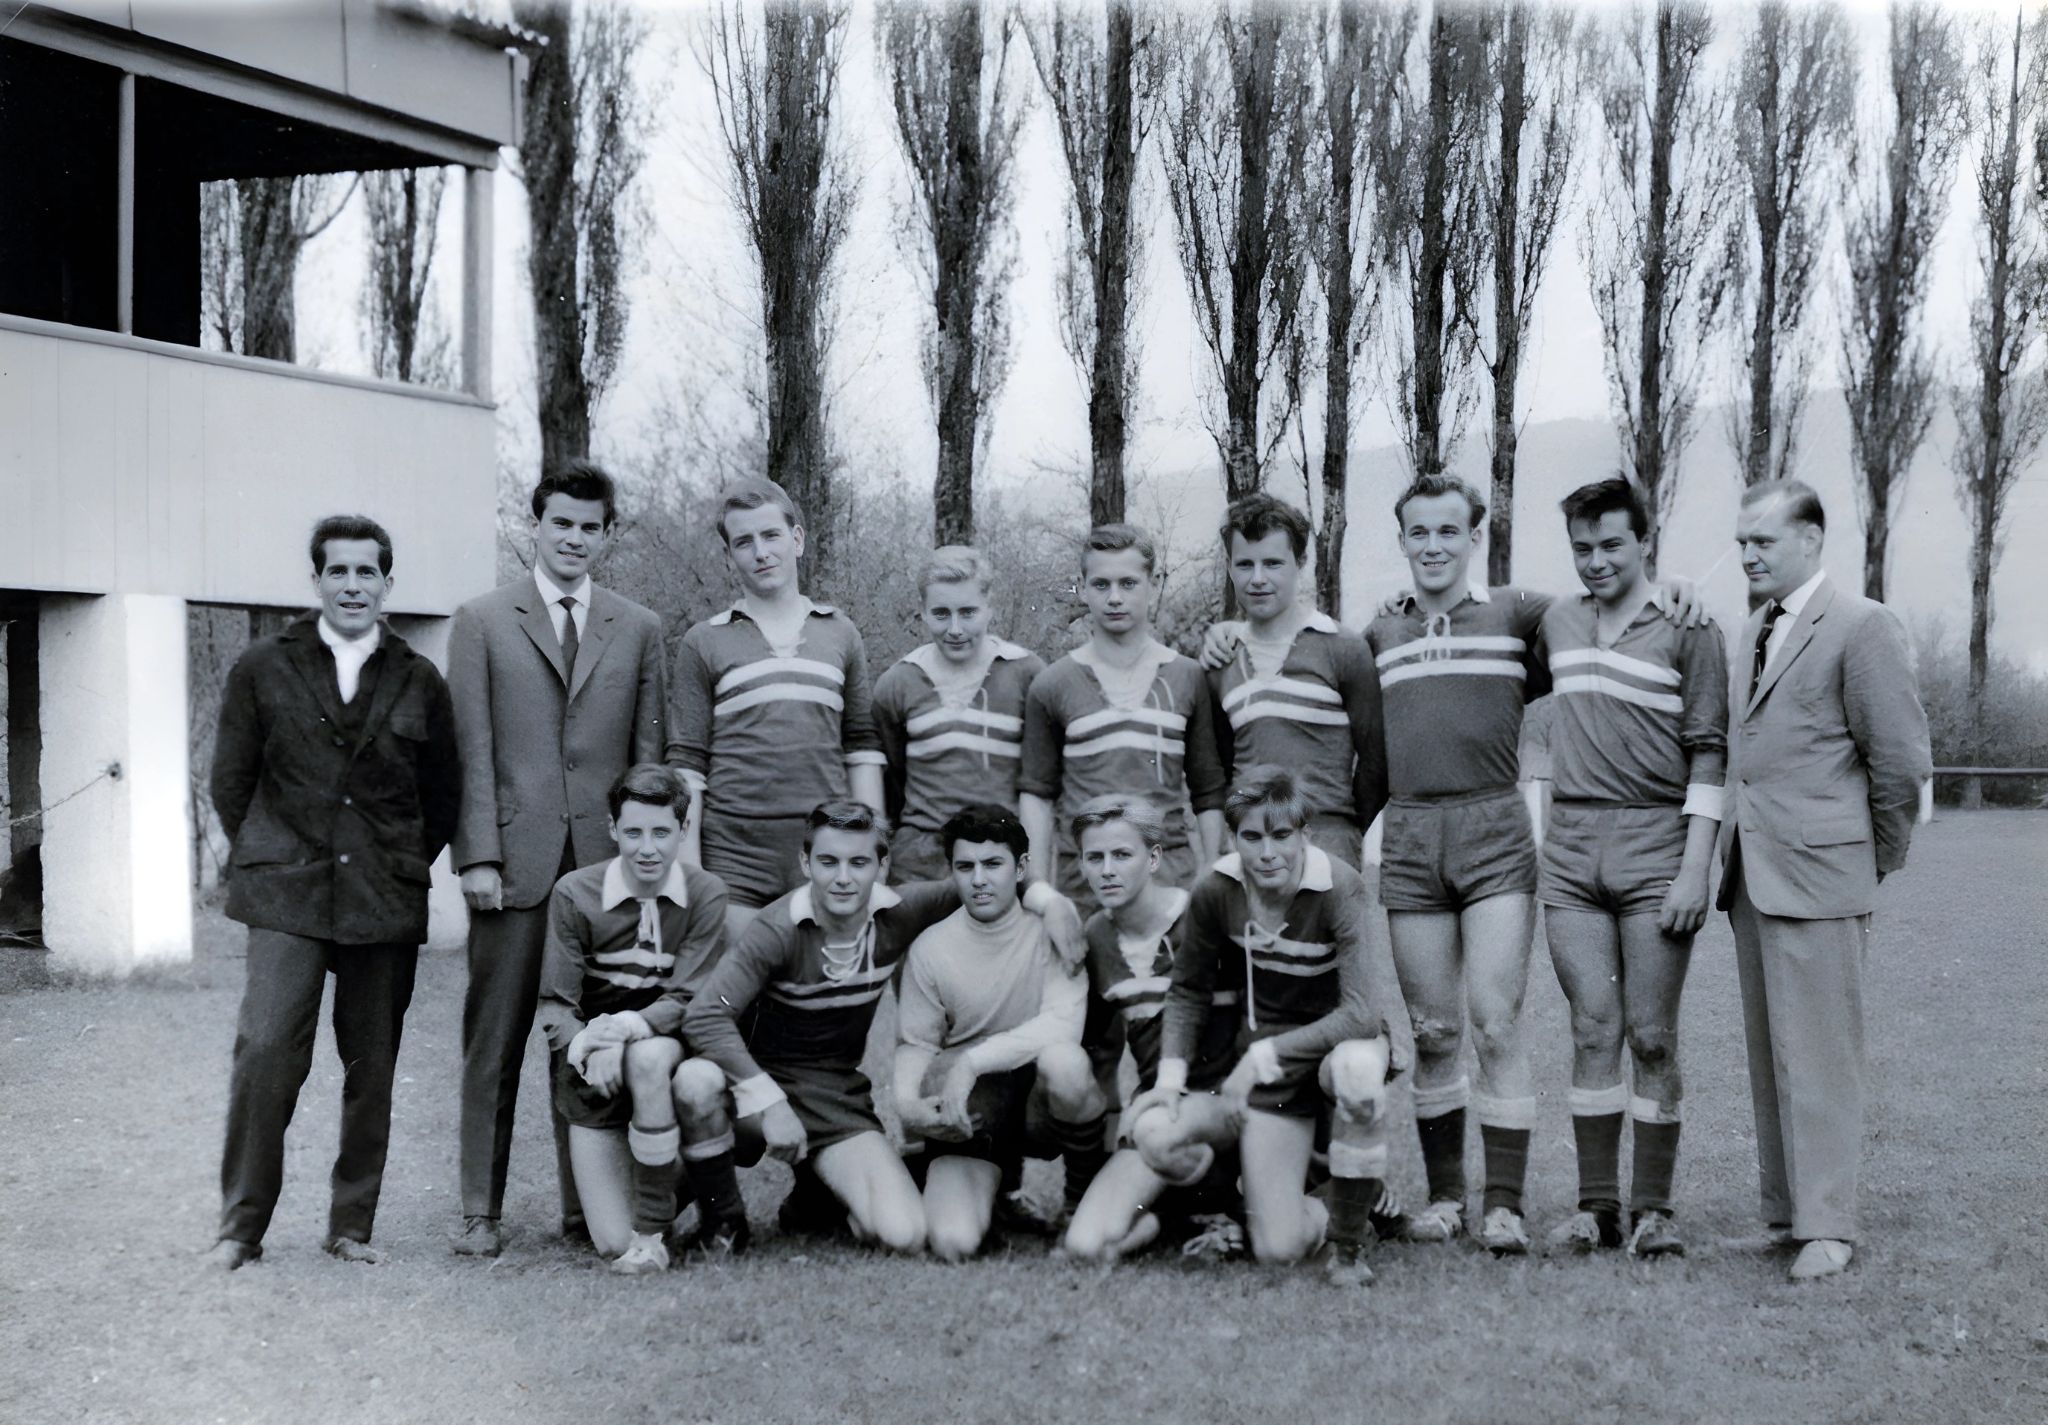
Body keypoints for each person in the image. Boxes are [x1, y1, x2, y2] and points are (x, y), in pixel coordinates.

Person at [207, 515, 460, 1269]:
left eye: (367, 572)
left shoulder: (419, 678)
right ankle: (240, 1227)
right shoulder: (263, 667)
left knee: (370, 1062)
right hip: (286, 893)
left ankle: (351, 1225)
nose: (353, 584)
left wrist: (394, 859)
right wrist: (278, 850)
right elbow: (231, 782)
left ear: (389, 583)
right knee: (264, 1051)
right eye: (339, 571)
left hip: (382, 897)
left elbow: (441, 795)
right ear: (315, 579)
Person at [676, 800, 1084, 1255]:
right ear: (805, 862)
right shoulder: (776, 928)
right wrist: (769, 1103)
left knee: (904, 1233)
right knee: (696, 1082)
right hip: (759, 1089)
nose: (844, 878)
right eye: (828, 862)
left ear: (883, 865)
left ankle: (814, 1198)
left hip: (832, 1094)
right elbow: (706, 1015)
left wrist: (1052, 902)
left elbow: (988, 882)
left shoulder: (900, 912)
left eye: (859, 862)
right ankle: (723, 1223)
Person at [447, 460, 668, 1259]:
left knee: (593, 1034)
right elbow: (469, 748)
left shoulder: (638, 627)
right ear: (535, 525)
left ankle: (587, 1208)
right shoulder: (481, 620)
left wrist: (648, 865)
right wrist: (478, 853)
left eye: (590, 526)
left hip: (608, 869)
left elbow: (650, 764)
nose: (574, 538)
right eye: (561, 523)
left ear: (608, 535)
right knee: (497, 1037)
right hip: (514, 865)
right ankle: (480, 1209)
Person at [1720, 480, 1930, 1282]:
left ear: (1811, 540)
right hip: (1753, 876)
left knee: (1823, 1056)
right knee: (1773, 1053)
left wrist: (1871, 858)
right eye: (1741, 542)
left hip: (1825, 874)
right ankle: (1787, 1215)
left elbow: (1902, 763)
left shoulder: (1862, 624)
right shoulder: (1753, 628)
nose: (1747, 555)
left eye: (1762, 542)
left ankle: (1830, 1226)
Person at [1535, 479, 1728, 1258]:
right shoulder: (1555, 619)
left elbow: (1710, 750)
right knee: (1591, 1027)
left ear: (1646, 541)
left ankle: (1654, 1210)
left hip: (1656, 845)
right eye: (1582, 548)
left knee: (1650, 1034)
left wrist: (1694, 867)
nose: (1596, 561)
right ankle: (1596, 1207)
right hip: (1573, 848)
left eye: (1612, 544)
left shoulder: (1690, 625)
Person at [1123, 766, 1403, 1285]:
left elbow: (1363, 1012)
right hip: (1273, 1079)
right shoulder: (1216, 889)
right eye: (1252, 837)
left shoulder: (1340, 885)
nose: (1267, 852)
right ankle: (1346, 1196)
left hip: (1336, 1046)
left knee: (1360, 1073)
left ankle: (1348, 1244)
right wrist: (1167, 1083)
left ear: (1305, 836)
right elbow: (1188, 990)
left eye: (1281, 836)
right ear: (1235, 839)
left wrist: (1261, 1057)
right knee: (1276, 1249)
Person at [533, 765, 729, 1274]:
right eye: (634, 832)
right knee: (609, 1242)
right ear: (613, 829)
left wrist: (625, 1030)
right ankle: (648, 1210)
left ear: (683, 832)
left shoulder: (705, 893)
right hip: (597, 1070)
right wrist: (586, 1049)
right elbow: (556, 1004)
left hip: (663, 1053)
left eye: (662, 832)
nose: (648, 848)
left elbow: (689, 995)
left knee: (657, 1062)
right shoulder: (574, 893)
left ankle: (661, 1222)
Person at [669, 480, 885, 938]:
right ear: (729, 557)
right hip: (734, 860)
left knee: (821, 993)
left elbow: (861, 749)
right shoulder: (703, 641)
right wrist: (692, 873)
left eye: (771, 536)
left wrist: (872, 851)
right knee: (741, 996)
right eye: (743, 542)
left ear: (798, 540)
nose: (760, 552)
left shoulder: (840, 633)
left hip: (826, 852)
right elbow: (688, 765)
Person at [892, 804, 1102, 1262]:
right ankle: (966, 1187)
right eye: (965, 867)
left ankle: (1078, 1203)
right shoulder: (931, 947)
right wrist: (907, 1104)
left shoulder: (1054, 929)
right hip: (980, 1105)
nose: (979, 880)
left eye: (993, 865)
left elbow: (1064, 1025)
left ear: (1021, 868)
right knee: (953, 1241)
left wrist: (971, 1060)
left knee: (1066, 1063)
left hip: (1039, 1099)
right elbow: (917, 1043)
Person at [1060, 797, 1243, 1264]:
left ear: (1155, 858)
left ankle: (1229, 1207)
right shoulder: (1098, 938)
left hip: (1228, 1106)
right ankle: (1179, 1216)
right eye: (1094, 857)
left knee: (1161, 1134)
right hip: (1156, 1110)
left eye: (1122, 855)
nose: (1107, 870)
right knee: (1087, 1245)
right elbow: (1098, 1054)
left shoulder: (1205, 917)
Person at [1018, 523, 1227, 909]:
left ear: (1154, 582)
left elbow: (1208, 791)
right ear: (1082, 587)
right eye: (1101, 585)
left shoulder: (1188, 676)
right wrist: (1040, 892)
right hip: (1083, 893)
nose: (1114, 598)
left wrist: (1212, 871)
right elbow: (1037, 797)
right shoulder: (1052, 684)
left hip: (1169, 889)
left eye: (1128, 584)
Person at [1206, 493, 1389, 868]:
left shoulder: (1344, 648)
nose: (1258, 579)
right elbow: (1223, 767)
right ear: (1229, 567)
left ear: (1301, 562)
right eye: (1245, 565)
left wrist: (1343, 830)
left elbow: (1377, 762)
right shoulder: (1221, 660)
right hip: (1254, 851)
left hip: (1327, 844)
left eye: (1273, 563)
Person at [873, 546, 1046, 881]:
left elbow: (1041, 786)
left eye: (968, 613)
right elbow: (891, 784)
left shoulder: (1027, 674)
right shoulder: (898, 683)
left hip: (1001, 859)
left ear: (990, 608)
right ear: (922, 611)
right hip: (920, 866)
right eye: (941, 614)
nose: (954, 629)